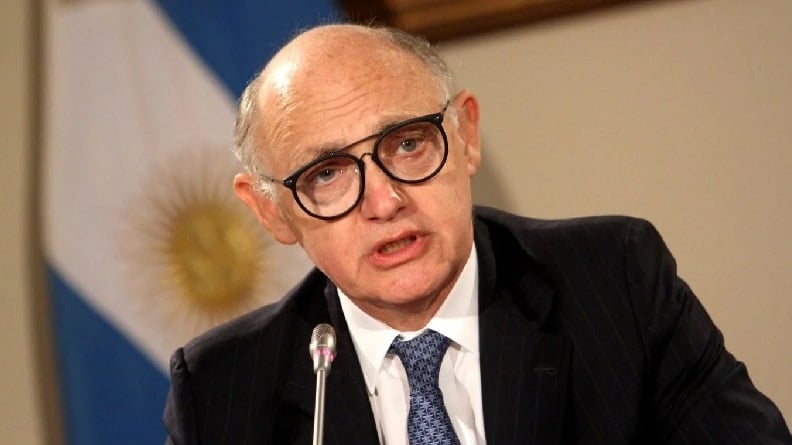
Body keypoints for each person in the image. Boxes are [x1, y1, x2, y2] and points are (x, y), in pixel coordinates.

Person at [163, 23, 791, 444]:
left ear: (464, 134)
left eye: (407, 144)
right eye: (326, 174)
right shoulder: (222, 390)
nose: (384, 201)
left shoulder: (614, 283)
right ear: (271, 211)